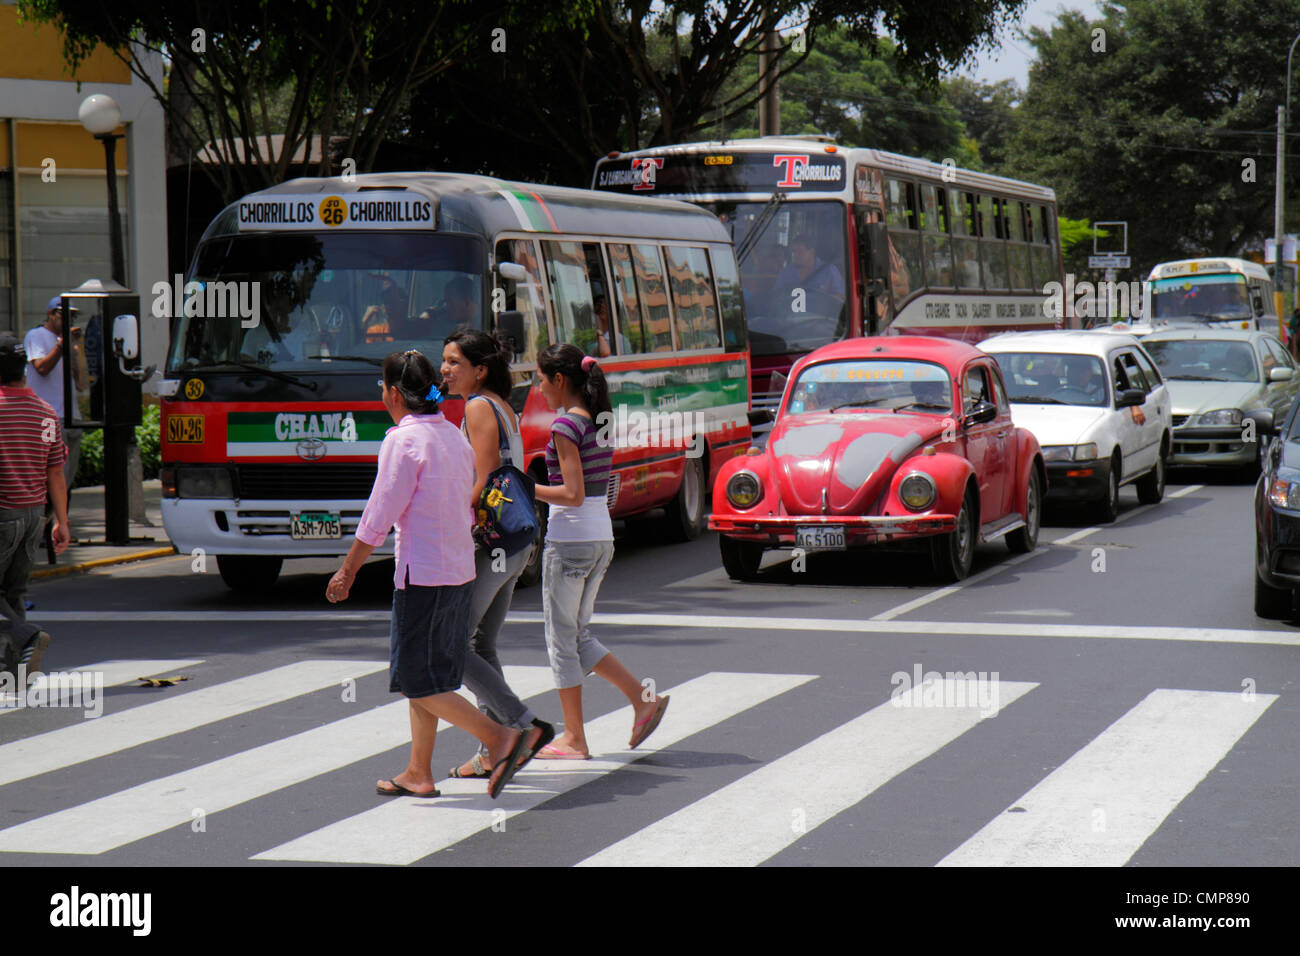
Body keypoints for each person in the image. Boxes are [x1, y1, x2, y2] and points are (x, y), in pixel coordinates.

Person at [325, 350, 531, 799]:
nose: (381, 395)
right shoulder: (450, 436)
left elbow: (378, 517)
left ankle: (501, 738)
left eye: (382, 387)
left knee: (417, 682)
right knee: (430, 679)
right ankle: (419, 770)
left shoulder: (403, 441)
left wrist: (347, 571)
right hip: (457, 572)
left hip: (423, 576)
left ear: (394, 393)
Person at [531, 345, 669, 758]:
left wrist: (524, 487)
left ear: (559, 381)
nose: (539, 388)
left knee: (560, 641)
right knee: (577, 635)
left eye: (541, 379)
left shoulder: (564, 427)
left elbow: (571, 494)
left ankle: (574, 738)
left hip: (570, 539)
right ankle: (642, 700)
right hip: (599, 538)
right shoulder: (600, 420)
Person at [441, 328, 555, 779]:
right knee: (481, 642)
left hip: (492, 543)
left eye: (454, 362)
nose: (445, 370)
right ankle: (494, 748)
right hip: (515, 543)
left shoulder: (477, 407)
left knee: (452, 644)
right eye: (444, 361)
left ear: (479, 369)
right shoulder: (503, 407)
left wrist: (446, 516)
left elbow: (485, 483)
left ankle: (517, 727)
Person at [0, 333, 70, 681]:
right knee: (14, 593)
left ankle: (26, 637)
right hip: (33, 517)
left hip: (3, 514)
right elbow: (56, 472)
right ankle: (16, 671)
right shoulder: (45, 413)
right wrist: (62, 522)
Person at [25, 296, 86, 491]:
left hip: (71, 416)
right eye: (65, 315)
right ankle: (50, 517)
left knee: (67, 476)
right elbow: (42, 368)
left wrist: (77, 351)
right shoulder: (36, 336)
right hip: (48, 418)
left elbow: (82, 383)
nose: (69, 321)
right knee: (52, 471)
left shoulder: (67, 342)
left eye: (73, 317)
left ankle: (60, 517)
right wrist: (61, 345)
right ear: (51, 314)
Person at [775, 235, 845, 303]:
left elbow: (841, 297)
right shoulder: (785, 273)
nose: (795, 255)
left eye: (800, 252)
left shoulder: (829, 271)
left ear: (811, 252)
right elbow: (776, 297)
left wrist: (824, 298)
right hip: (789, 314)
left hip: (820, 314)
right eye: (794, 251)